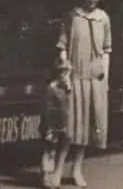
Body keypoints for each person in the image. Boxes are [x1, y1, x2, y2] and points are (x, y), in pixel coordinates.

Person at [55, 0, 112, 188]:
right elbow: (62, 46)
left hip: (95, 79)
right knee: (69, 128)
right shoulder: (72, 16)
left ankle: (77, 170)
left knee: (87, 128)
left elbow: (106, 50)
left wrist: (106, 78)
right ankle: (58, 170)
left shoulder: (104, 19)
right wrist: (64, 69)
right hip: (75, 78)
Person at [40, 58, 71, 189]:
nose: (65, 75)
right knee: (49, 150)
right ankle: (46, 176)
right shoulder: (52, 88)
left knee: (55, 149)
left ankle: (50, 175)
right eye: (62, 72)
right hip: (51, 125)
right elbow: (47, 109)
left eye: (66, 73)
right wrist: (48, 128)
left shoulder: (65, 88)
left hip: (60, 124)